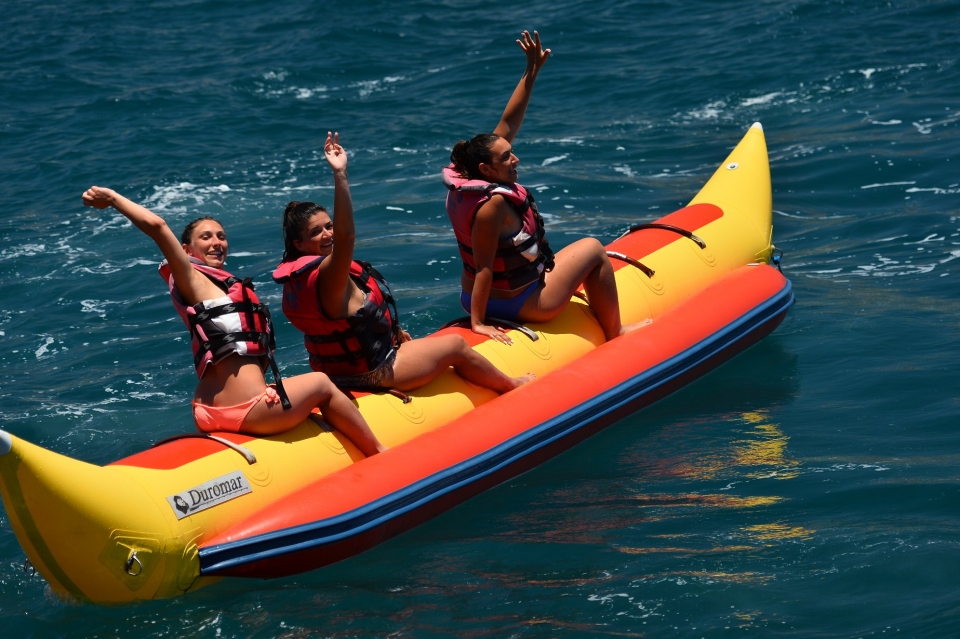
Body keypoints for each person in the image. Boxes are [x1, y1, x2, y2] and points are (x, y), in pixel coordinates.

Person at [81, 186, 385, 456]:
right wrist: (113, 199)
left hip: (208, 412)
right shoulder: (191, 278)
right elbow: (158, 227)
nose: (216, 242)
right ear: (186, 250)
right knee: (321, 382)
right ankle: (378, 452)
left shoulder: (216, 289)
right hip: (246, 409)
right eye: (206, 237)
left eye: (221, 236)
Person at [273, 132, 534, 394]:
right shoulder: (328, 272)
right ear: (298, 244)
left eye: (329, 226)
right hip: (373, 374)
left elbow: (347, 322)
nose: (328, 234)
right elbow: (347, 236)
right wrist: (340, 175)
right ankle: (512, 386)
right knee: (455, 345)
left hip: (335, 375)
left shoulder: (295, 280)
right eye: (316, 232)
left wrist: (392, 334)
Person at [444, 30, 651, 345]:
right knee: (594, 249)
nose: (516, 158)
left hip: (480, 293)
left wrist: (531, 70)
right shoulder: (493, 205)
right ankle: (614, 332)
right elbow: (485, 266)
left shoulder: (468, 174)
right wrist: (478, 323)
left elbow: (509, 123)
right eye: (506, 157)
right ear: (487, 169)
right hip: (518, 302)